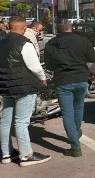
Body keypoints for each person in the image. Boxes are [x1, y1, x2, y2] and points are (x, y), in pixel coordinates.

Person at [0, 16, 51, 166]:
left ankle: (6, 153)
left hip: (5, 87)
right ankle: (26, 155)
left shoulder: (1, 43)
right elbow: (35, 66)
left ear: (9, 28)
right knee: (21, 121)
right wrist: (43, 78)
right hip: (24, 87)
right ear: (23, 29)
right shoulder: (24, 43)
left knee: (5, 120)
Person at [44, 19, 95, 157]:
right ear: (71, 28)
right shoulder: (82, 40)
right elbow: (92, 57)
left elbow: (49, 65)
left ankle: (75, 146)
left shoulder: (51, 43)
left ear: (58, 29)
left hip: (63, 80)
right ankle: (76, 132)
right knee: (78, 108)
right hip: (81, 78)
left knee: (67, 112)